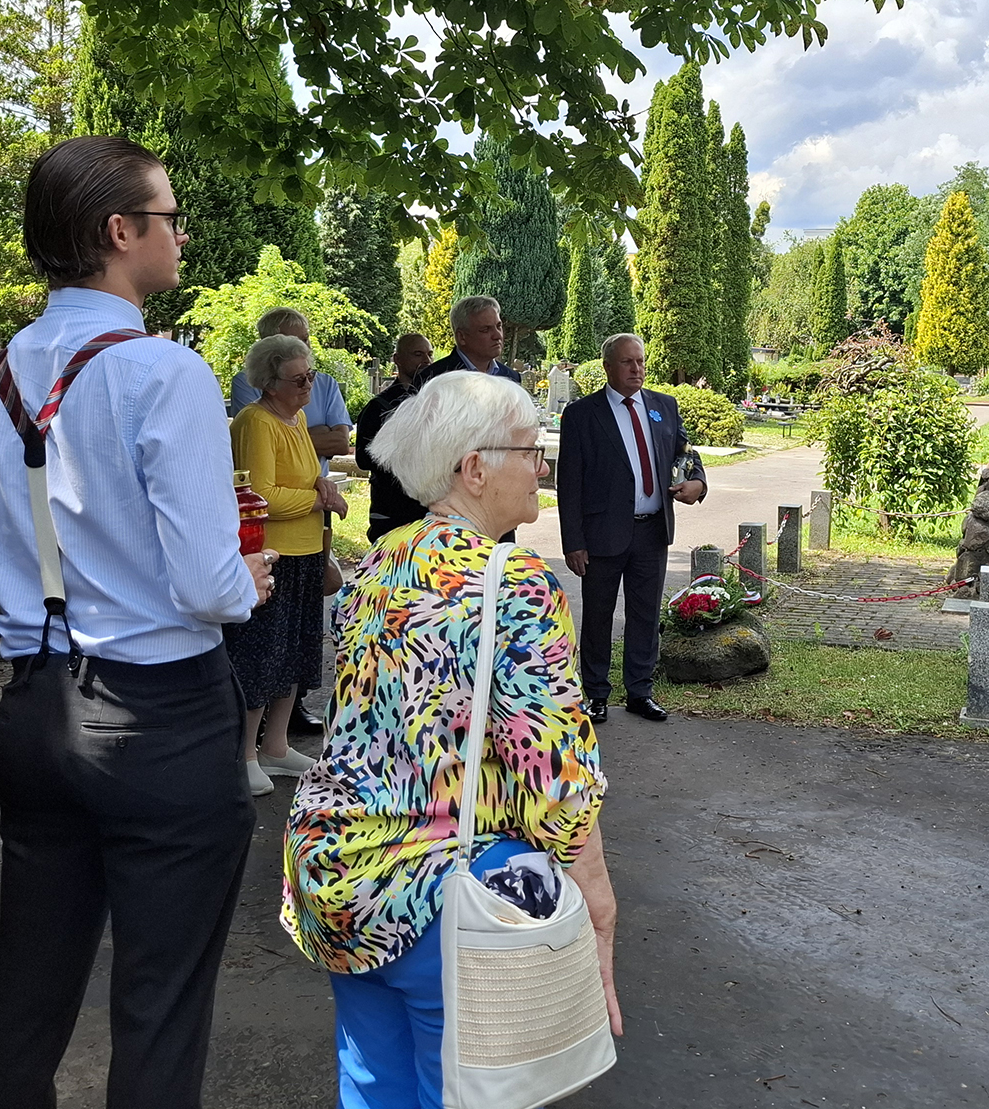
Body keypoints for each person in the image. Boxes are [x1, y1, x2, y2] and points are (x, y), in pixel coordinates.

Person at [0, 137, 275, 1109]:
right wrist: (245, 580)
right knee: (160, 1003)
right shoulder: (162, 371)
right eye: (170, 217)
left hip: (34, 704)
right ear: (118, 230)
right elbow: (207, 584)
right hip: (158, 713)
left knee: (26, 984)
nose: (182, 235)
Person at [283, 370, 619, 1109]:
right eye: (530, 451)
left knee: (375, 1087)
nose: (542, 469)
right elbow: (554, 777)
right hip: (441, 894)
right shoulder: (516, 582)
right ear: (475, 468)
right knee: (462, 1093)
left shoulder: (382, 559)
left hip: (339, 877)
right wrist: (597, 900)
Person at [555, 333, 708, 725]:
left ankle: (640, 691)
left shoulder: (663, 406)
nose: (636, 369)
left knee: (645, 615)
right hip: (601, 534)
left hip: (652, 532)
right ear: (608, 366)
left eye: (640, 361)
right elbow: (569, 484)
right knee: (598, 617)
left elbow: (686, 453)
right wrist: (573, 541)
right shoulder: (582, 415)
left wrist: (698, 482)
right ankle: (596, 694)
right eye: (627, 362)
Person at [229, 333, 347, 796]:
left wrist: (321, 485)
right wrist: (318, 499)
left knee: (296, 653)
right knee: (262, 657)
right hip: (271, 556)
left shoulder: (295, 418)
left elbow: (306, 476)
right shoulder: (256, 421)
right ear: (269, 382)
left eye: (310, 375)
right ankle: (245, 754)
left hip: (305, 552)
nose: (308, 385)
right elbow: (260, 494)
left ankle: (276, 746)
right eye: (297, 379)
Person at [230, 306, 353, 458]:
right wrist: (322, 432)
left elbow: (341, 443)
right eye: (295, 342)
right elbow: (255, 440)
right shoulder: (246, 382)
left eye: (305, 339)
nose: (305, 347)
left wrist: (283, 439)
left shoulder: (326, 383)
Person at [354, 331, 434, 542]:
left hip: (430, 513)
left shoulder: (439, 402)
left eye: (429, 354)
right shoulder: (378, 408)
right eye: (418, 354)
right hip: (392, 513)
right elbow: (363, 459)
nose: (427, 360)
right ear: (397, 359)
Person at [415, 295, 525, 387]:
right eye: (485, 330)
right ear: (462, 337)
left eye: (498, 326)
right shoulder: (432, 379)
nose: (497, 335)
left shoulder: (511, 378)